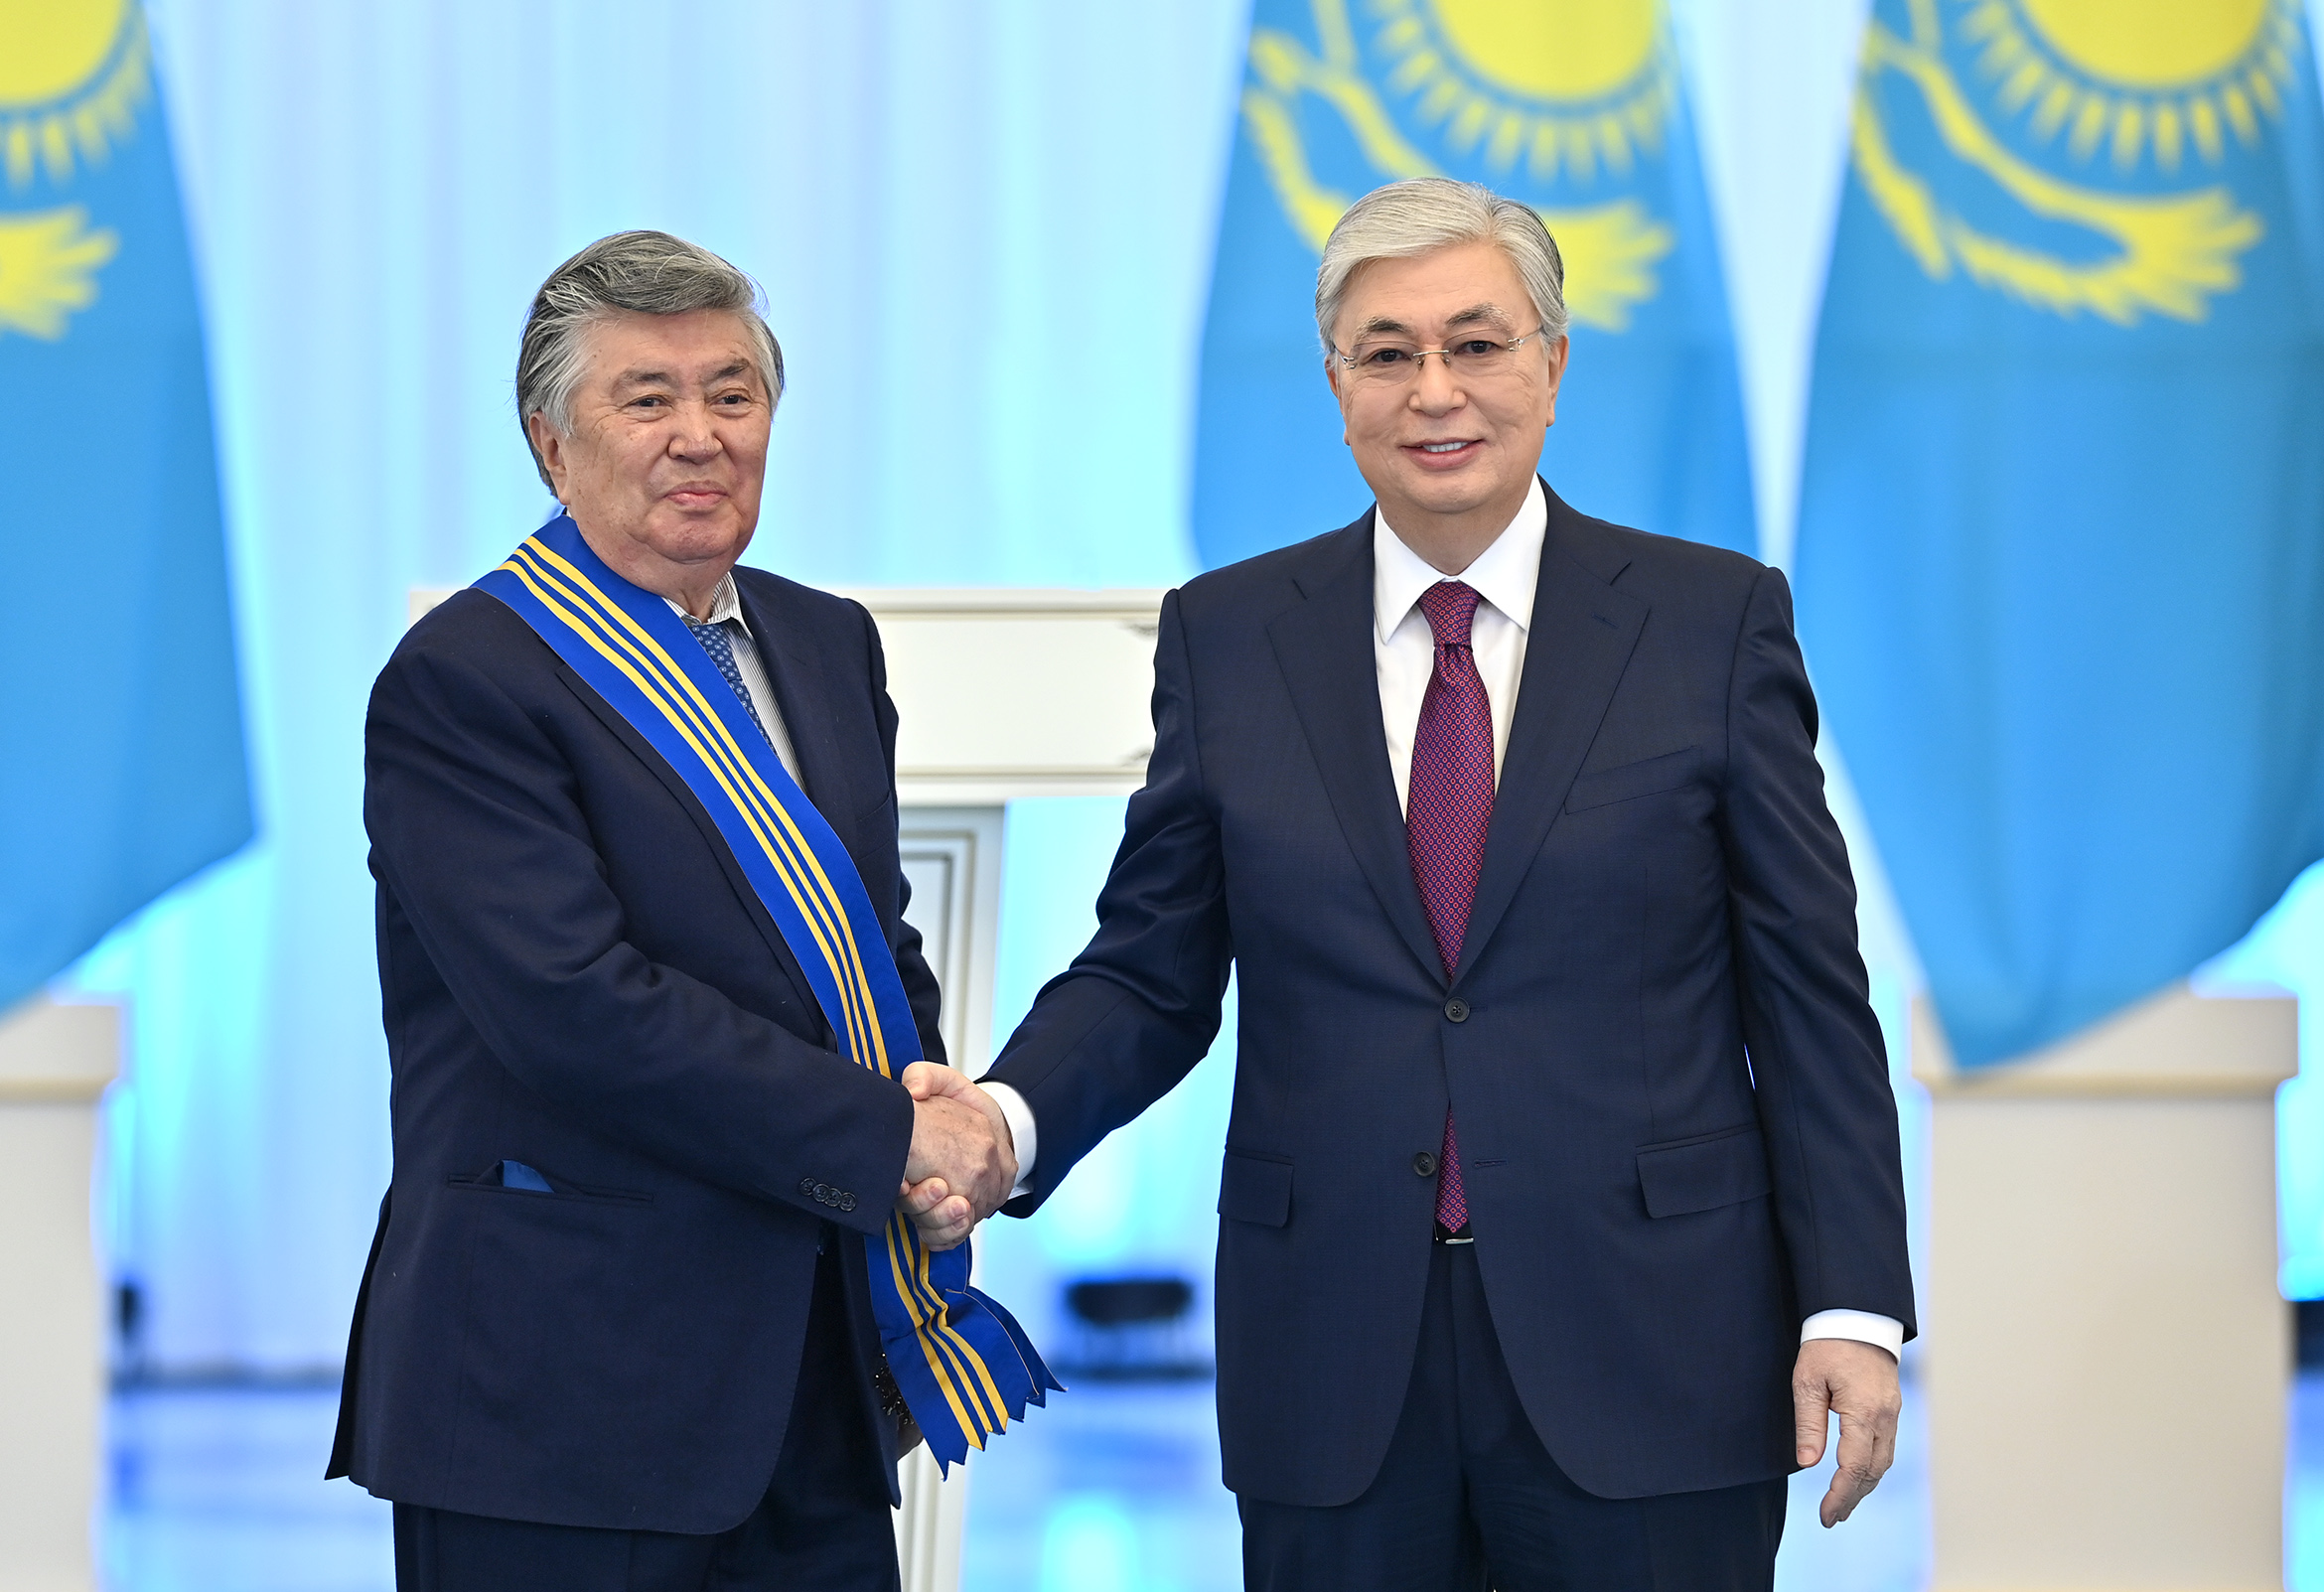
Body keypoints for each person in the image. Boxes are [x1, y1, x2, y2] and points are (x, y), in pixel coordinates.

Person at [934, 178, 1916, 1589]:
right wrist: (1003, 1120)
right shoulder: (1228, 636)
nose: (1435, 390)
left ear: (1553, 366)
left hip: (1654, 1344)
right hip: (1334, 1358)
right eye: (1387, 353)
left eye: (1478, 343)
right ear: (1338, 387)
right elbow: (1150, 971)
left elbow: (1808, 993)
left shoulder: (1711, 621)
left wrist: (1853, 1304)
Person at [327, 230, 1038, 1592]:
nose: (699, 436)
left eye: (732, 393)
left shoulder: (826, 641)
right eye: (646, 398)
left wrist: (930, 1140)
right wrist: (888, 1137)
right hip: (563, 1394)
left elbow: (867, 943)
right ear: (551, 444)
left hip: (813, 1383)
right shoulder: (467, 676)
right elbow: (575, 1012)